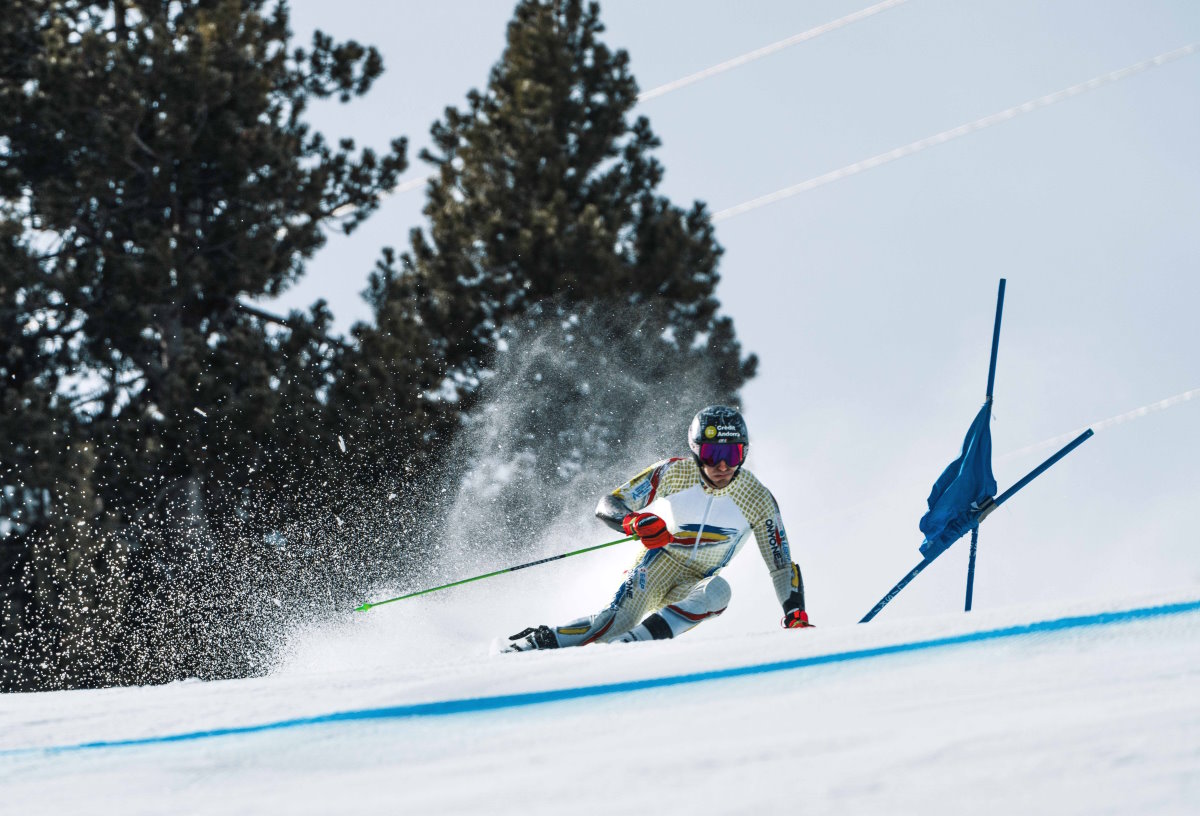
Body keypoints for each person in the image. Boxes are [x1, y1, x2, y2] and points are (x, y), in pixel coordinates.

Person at [503, 405, 812, 652]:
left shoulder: (756, 498)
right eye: (713, 455)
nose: (722, 466)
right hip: (658, 565)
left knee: (719, 591)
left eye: (732, 454)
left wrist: (794, 612)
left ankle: (633, 647)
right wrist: (633, 521)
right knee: (615, 621)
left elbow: (781, 565)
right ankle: (532, 645)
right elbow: (608, 504)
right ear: (696, 451)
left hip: (695, 581)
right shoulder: (675, 472)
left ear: (744, 453)